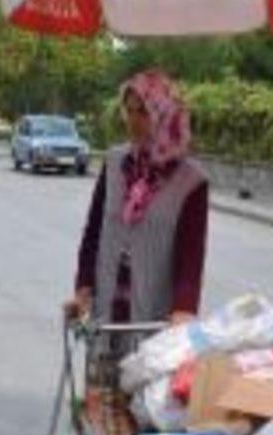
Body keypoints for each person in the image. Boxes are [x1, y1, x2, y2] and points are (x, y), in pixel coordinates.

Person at [66, 69, 209, 326]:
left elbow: (191, 256)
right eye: (129, 111)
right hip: (107, 316)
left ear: (164, 114)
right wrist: (83, 287)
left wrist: (184, 308)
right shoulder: (114, 163)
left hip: (154, 319)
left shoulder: (191, 181)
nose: (133, 121)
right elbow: (93, 232)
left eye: (143, 112)